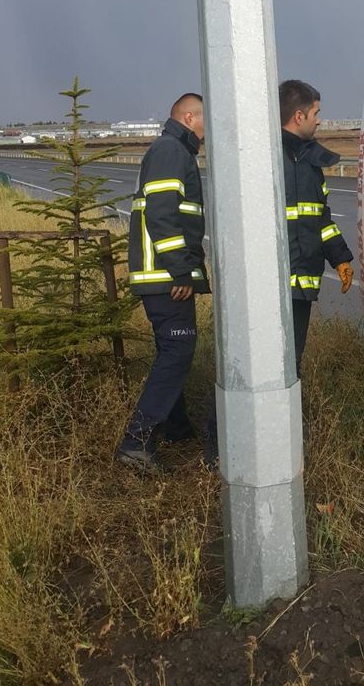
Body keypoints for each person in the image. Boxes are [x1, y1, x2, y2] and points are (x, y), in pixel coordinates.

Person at [116, 93, 210, 473]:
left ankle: (176, 428)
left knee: (173, 350)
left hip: (163, 277)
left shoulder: (174, 150)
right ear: (189, 117)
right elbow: (162, 216)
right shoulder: (171, 151)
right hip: (166, 279)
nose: (209, 129)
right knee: (178, 352)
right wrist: (181, 271)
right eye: (206, 119)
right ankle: (136, 442)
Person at [279, 80, 354, 374]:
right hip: (273, 288)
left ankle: (288, 419)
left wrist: (340, 258)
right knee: (271, 365)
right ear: (299, 116)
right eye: (316, 113)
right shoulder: (266, 159)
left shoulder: (309, 163)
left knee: (291, 362)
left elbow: (320, 220)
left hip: (300, 285)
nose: (320, 120)